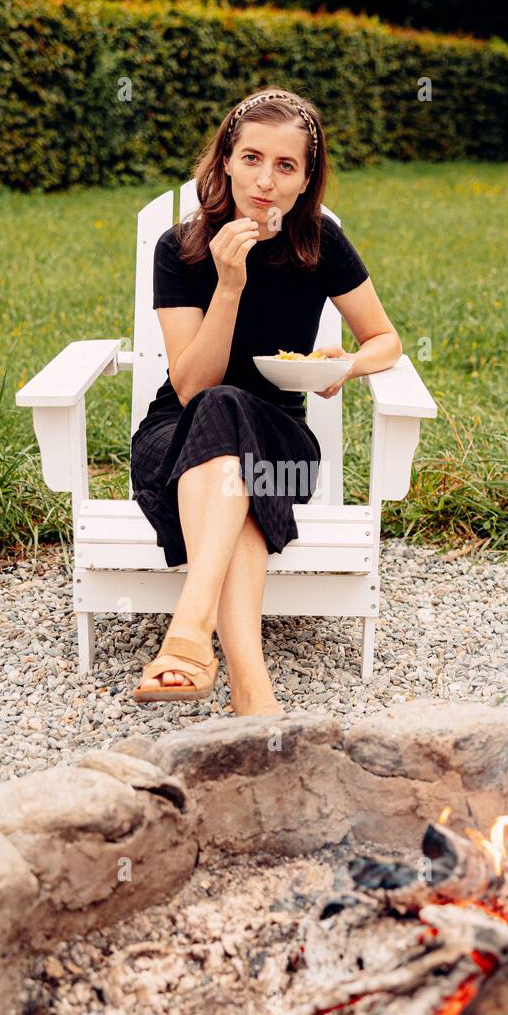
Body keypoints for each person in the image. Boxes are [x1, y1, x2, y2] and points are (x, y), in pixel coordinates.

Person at [130, 88, 402, 713]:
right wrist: (228, 287)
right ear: (225, 159)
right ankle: (253, 691)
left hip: (281, 438)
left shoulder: (320, 247)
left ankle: (191, 633)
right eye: (252, 158)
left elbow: (385, 339)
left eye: (286, 166)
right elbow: (192, 387)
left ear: (307, 180)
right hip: (175, 441)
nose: (265, 180)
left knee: (234, 438)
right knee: (224, 424)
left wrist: (350, 364)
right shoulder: (180, 249)